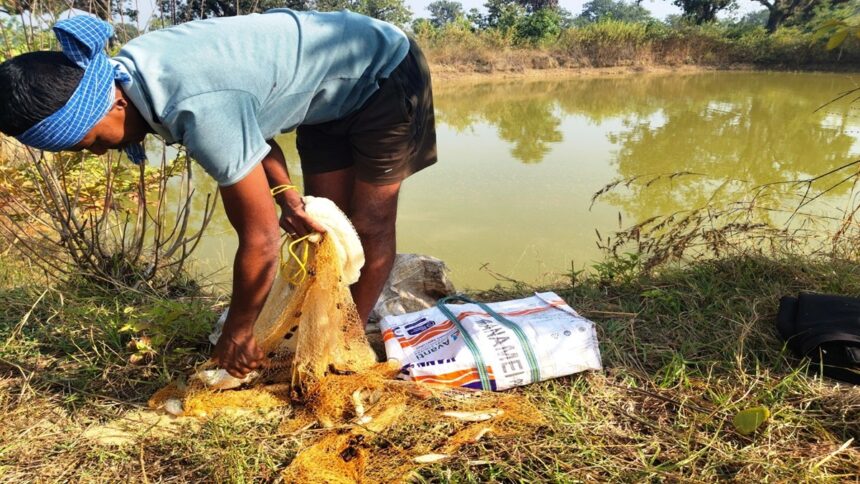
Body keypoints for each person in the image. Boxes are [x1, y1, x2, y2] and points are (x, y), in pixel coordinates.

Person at [0, 10, 437, 378]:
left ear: (114, 103)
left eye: (93, 141)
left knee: (368, 222)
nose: (99, 153)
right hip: (329, 96)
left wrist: (238, 333)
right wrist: (287, 195)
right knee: (325, 224)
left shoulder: (192, 104)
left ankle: (346, 344)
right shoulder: (134, 76)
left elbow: (261, 239)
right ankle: (322, 328)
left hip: (381, 69)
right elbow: (255, 133)